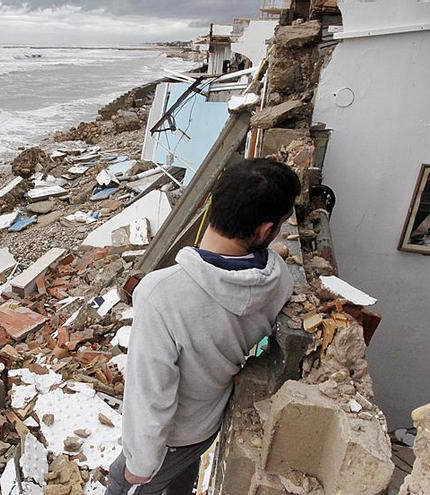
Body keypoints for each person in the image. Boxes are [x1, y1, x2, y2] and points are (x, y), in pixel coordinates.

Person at [105, 157, 301, 495]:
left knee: (121, 481)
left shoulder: (161, 293)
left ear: (213, 202)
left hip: (171, 439)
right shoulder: (277, 279)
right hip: (207, 422)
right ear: (266, 230)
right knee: (181, 483)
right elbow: (274, 259)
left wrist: (141, 463)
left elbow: (150, 392)